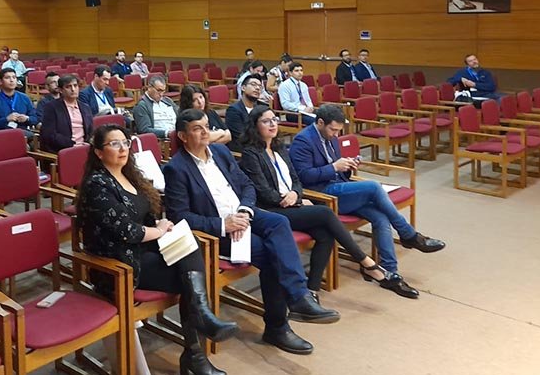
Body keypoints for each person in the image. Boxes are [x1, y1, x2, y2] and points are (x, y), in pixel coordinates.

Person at [164, 109, 342, 357]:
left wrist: (245, 210)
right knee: (271, 254)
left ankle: (299, 297)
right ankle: (278, 327)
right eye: (197, 128)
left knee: (279, 222)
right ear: (183, 136)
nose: (205, 132)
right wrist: (223, 224)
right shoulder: (176, 168)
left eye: (206, 126)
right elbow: (179, 216)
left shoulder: (221, 152)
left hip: (245, 213)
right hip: (220, 231)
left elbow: (246, 185)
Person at [77, 124, 239, 375]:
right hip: (119, 264)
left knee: (191, 249)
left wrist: (161, 225)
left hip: (144, 251)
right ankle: (196, 350)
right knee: (191, 280)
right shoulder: (97, 184)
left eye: (126, 142)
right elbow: (127, 231)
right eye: (114, 144)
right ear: (98, 152)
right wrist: (159, 230)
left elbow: (146, 218)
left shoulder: (130, 175)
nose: (123, 148)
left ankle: (198, 337)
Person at [238, 106, 418, 298]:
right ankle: (369, 264)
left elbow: (296, 180)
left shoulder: (279, 147)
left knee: (326, 235)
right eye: (266, 121)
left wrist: (296, 194)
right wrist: (292, 200)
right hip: (273, 210)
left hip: (294, 201)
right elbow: (263, 191)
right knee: (326, 213)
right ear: (255, 125)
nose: (273, 124)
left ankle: (312, 290)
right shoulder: (251, 153)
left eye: (274, 119)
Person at [288, 105, 447, 276]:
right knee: (374, 186)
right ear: (320, 122)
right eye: (333, 130)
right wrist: (334, 167)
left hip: (340, 188)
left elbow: (338, 169)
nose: (336, 134)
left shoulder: (332, 137)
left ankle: (389, 270)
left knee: (380, 217)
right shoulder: (303, 141)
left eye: (338, 130)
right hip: (323, 195)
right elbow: (303, 177)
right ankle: (409, 234)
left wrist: (347, 166)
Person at [40, 74, 93, 153]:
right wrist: (73, 145)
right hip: (64, 149)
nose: (73, 89)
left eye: (75, 86)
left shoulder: (85, 107)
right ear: (61, 90)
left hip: (85, 148)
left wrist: (88, 143)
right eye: (68, 87)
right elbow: (49, 134)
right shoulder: (52, 107)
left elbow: (90, 131)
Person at [0, 68, 37, 139]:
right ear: (0, 81)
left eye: (14, 77)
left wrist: (27, 118)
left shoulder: (24, 98)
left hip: (22, 133)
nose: (12, 80)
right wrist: (6, 119)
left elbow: (35, 118)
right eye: (7, 78)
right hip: (1, 135)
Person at [224, 74, 268, 152]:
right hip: (245, 149)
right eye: (253, 84)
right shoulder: (234, 110)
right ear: (243, 88)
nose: (257, 88)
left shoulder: (263, 107)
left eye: (260, 86)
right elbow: (241, 137)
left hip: (263, 145)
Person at [278, 61, 316, 126]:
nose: (300, 73)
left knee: (325, 117)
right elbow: (285, 104)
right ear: (290, 73)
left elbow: (308, 100)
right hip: (293, 113)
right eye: (296, 71)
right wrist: (302, 109)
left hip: (306, 111)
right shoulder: (285, 85)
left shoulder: (303, 85)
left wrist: (310, 107)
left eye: (301, 70)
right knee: (315, 121)